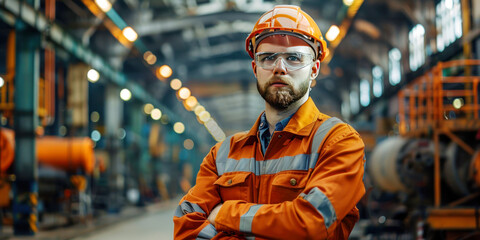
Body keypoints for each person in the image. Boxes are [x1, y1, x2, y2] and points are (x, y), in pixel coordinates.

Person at [173, 5, 365, 239]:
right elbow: (187, 226)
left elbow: (309, 223)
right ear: (256, 68)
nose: (279, 68)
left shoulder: (339, 143)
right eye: (268, 58)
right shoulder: (222, 155)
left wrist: (225, 213)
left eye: (294, 58)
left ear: (314, 69)